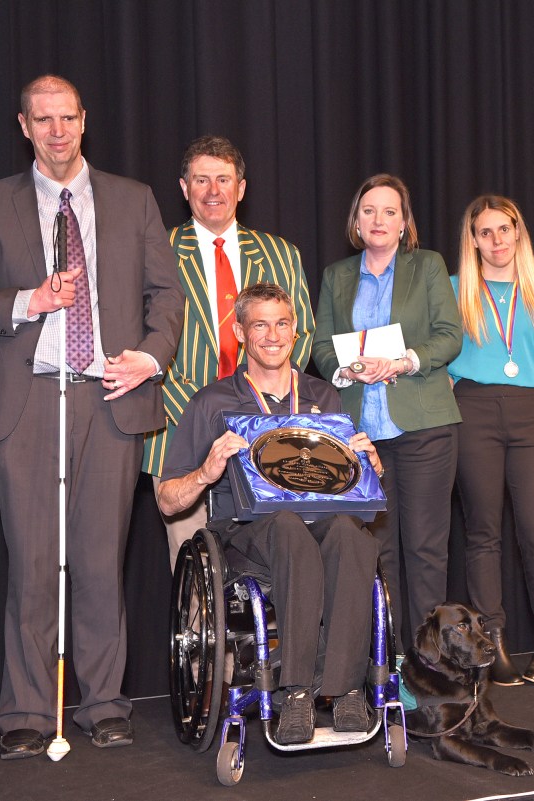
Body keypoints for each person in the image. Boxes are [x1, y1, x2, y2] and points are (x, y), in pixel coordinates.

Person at [0, 75, 183, 758]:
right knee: (32, 560)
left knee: (101, 560)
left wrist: (150, 356)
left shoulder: (133, 199)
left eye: (67, 118)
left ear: (86, 120)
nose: (56, 131)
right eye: (42, 120)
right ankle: (22, 708)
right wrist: (30, 300)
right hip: (25, 403)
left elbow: (167, 297)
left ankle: (104, 703)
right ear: (24, 125)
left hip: (108, 396)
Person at [157, 283, 381, 744]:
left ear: (295, 331)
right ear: (240, 331)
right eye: (260, 324)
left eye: (282, 324)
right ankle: (296, 692)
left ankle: (344, 691)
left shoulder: (325, 398)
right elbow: (167, 499)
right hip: (248, 535)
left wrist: (370, 467)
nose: (273, 335)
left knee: (352, 535)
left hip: (322, 524)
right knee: (287, 528)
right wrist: (206, 470)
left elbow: (352, 491)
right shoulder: (212, 402)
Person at [143, 135, 314, 571]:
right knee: (196, 569)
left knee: (280, 561)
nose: (213, 191)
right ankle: (206, 643)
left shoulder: (280, 253)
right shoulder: (154, 252)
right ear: (184, 188)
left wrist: (254, 409)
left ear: (241, 187)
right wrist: (205, 410)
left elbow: (303, 332)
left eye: (224, 179)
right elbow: (141, 340)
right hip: (180, 427)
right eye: (202, 180)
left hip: (267, 432)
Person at [313, 174, 462, 646]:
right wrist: (346, 370)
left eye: (389, 211)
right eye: (369, 210)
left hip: (425, 427)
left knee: (425, 549)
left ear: (404, 222)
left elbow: (449, 335)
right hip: (361, 435)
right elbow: (319, 347)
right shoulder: (337, 275)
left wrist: (401, 362)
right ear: (356, 220)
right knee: (378, 552)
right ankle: (389, 659)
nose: (379, 220)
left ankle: (430, 659)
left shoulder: (429, 266)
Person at [448, 195, 534, 686]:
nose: (497, 241)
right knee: (483, 531)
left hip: (533, 411)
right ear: (473, 240)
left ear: (519, 233)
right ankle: (491, 638)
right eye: (485, 232)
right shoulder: (454, 292)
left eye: (505, 229)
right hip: (472, 410)